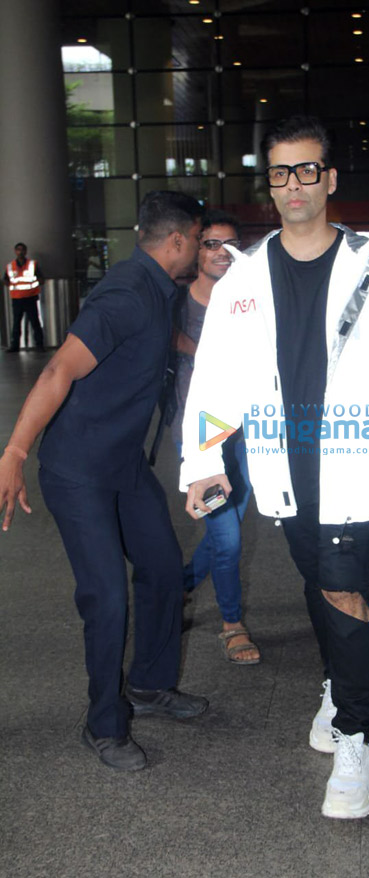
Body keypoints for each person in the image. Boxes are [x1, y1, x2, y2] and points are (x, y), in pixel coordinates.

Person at [180, 116, 369, 819]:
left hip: (356, 464)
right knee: (317, 581)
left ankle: (356, 739)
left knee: (344, 588)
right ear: (270, 185)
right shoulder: (245, 276)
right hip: (281, 465)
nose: (293, 184)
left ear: (328, 178)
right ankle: (335, 680)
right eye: (279, 173)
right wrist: (203, 459)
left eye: (305, 170)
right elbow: (214, 378)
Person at [0, 191, 209, 772]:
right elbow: (59, 366)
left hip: (122, 466)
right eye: (196, 238)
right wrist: (15, 450)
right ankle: (103, 724)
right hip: (78, 472)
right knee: (107, 596)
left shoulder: (158, 288)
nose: (199, 246)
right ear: (176, 242)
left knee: (165, 569)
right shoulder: (125, 293)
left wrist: (199, 348)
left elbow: (156, 339)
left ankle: (150, 685)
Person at [172, 210, 259, 664]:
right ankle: (231, 623)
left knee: (230, 528)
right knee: (226, 537)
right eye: (211, 244)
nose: (222, 252)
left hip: (247, 432)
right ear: (195, 249)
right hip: (200, 434)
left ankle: (181, 585)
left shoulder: (252, 298)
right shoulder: (176, 303)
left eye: (231, 244)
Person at [3, 242, 45, 352]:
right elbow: (6, 279)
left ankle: (39, 345)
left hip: (30, 298)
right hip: (17, 298)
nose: (20, 252)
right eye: (18, 250)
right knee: (17, 323)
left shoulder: (32, 264)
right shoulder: (10, 266)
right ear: (15, 251)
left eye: (22, 250)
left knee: (35, 322)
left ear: (25, 251)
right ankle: (15, 346)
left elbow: (41, 279)